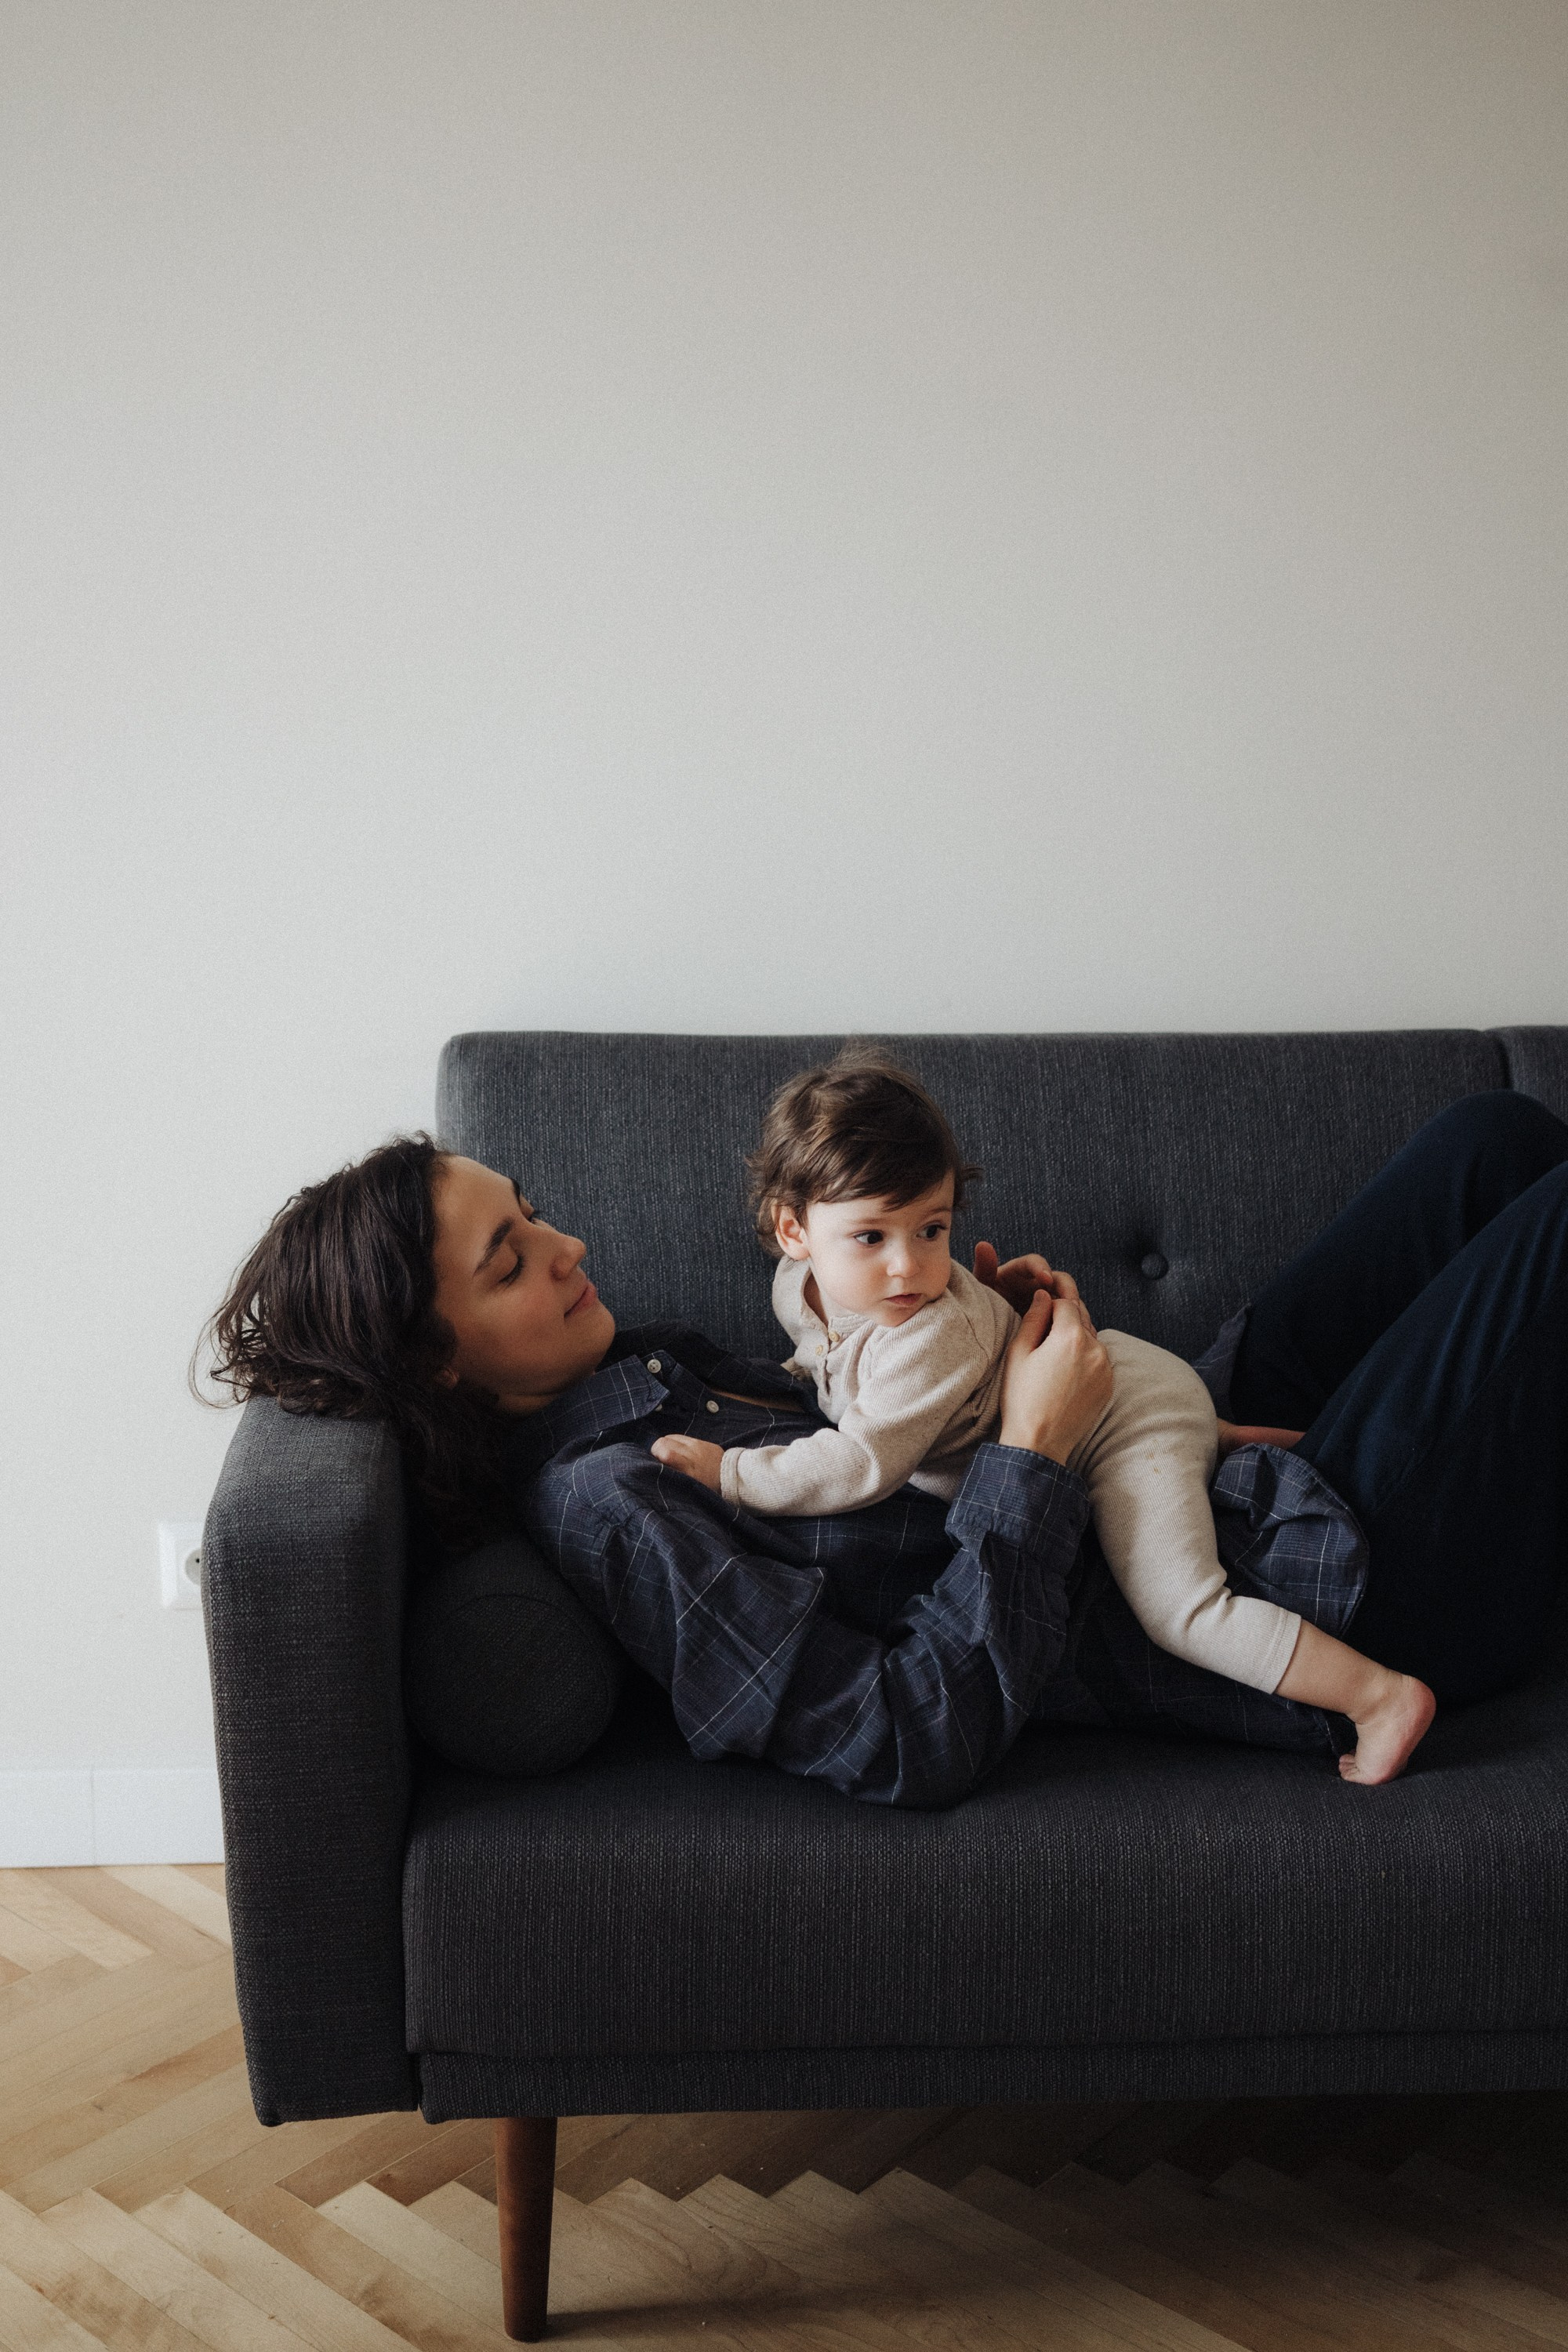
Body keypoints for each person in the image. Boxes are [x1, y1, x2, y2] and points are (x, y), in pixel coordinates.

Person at [204, 1087, 1568, 1809]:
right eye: (512, 1261)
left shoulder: (643, 1367)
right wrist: (1033, 1448)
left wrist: (991, 1324)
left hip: (1156, 1445)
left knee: (1489, 1142)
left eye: (535, 1215)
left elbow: (877, 1391)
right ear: (440, 1359)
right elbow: (905, 1737)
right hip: (1304, 1571)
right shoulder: (616, 1509)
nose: (566, 1247)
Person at [648, 1048, 1433, 1784]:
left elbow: (859, 1463)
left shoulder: (925, 1335)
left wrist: (734, 1472)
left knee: (1179, 1610)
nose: (910, 1266)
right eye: (870, 1236)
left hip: (1121, 1418)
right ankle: (1217, 1435)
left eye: (932, 1227)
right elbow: (826, 1368)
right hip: (1122, 1385)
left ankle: (1377, 1696)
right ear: (793, 1233)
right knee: (1183, 1435)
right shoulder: (798, 1291)